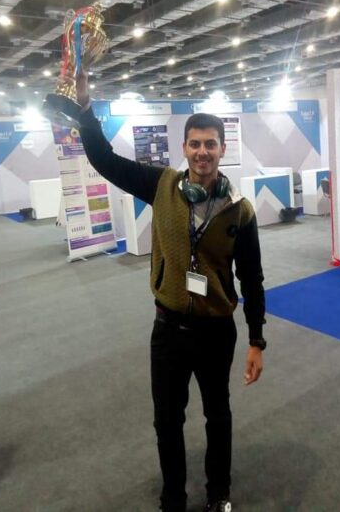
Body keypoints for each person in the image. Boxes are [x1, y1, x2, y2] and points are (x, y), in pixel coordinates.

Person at [74, 72, 267, 512]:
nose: (202, 151)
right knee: (167, 422)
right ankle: (173, 499)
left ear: (222, 149)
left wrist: (257, 339)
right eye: (195, 144)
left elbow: (252, 278)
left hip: (217, 331)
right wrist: (86, 109)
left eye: (210, 144)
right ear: (184, 148)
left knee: (218, 416)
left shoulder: (240, 210)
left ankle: (219, 494)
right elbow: (104, 159)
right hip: (169, 330)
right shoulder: (160, 185)